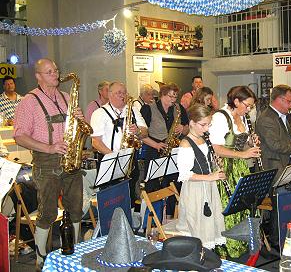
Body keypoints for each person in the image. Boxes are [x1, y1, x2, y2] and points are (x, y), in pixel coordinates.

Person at [13, 58, 85, 269]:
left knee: (76, 207)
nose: (56, 74)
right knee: (48, 212)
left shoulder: (64, 97)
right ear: (38, 76)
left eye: (55, 70)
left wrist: (79, 119)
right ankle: (41, 257)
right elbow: (19, 136)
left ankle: (74, 248)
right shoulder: (29, 101)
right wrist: (49, 147)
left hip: (71, 157)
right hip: (46, 161)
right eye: (49, 71)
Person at [208, 85, 261, 258]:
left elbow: (241, 144)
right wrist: (243, 153)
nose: (249, 109)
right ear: (236, 101)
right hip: (225, 168)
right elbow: (216, 148)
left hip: (240, 167)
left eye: (251, 106)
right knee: (229, 206)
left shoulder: (242, 117)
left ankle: (243, 243)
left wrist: (251, 143)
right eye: (247, 105)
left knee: (244, 204)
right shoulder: (220, 117)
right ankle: (228, 247)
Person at [255, 84, 291, 248]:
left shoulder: (285, 115)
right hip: (273, 166)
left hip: (286, 163)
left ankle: (289, 234)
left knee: (290, 201)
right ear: (278, 100)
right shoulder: (266, 118)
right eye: (289, 101)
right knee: (282, 203)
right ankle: (277, 239)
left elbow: (283, 140)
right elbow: (273, 145)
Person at [175, 104, 226, 250]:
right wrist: (210, 177)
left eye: (208, 125)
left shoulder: (204, 139)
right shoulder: (186, 144)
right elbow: (185, 174)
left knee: (210, 224)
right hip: (195, 190)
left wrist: (215, 165)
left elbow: (206, 163)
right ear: (191, 123)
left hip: (208, 186)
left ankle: (209, 255)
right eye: (203, 125)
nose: (206, 129)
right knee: (198, 227)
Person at [90, 82, 148, 202]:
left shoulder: (133, 110)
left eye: (124, 92)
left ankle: (128, 219)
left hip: (130, 159)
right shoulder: (99, 113)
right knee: (111, 198)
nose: (123, 95)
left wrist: (137, 131)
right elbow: (95, 142)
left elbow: (145, 132)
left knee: (130, 194)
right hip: (109, 160)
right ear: (110, 95)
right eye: (119, 93)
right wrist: (114, 157)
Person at [140, 82, 189, 218]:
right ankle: (151, 220)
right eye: (170, 97)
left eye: (175, 97)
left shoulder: (178, 109)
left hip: (173, 151)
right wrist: (155, 145)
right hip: (154, 150)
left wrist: (183, 128)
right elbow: (141, 134)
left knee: (174, 184)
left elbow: (188, 127)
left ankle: (169, 217)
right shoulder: (148, 109)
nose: (173, 100)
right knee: (153, 186)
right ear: (162, 95)